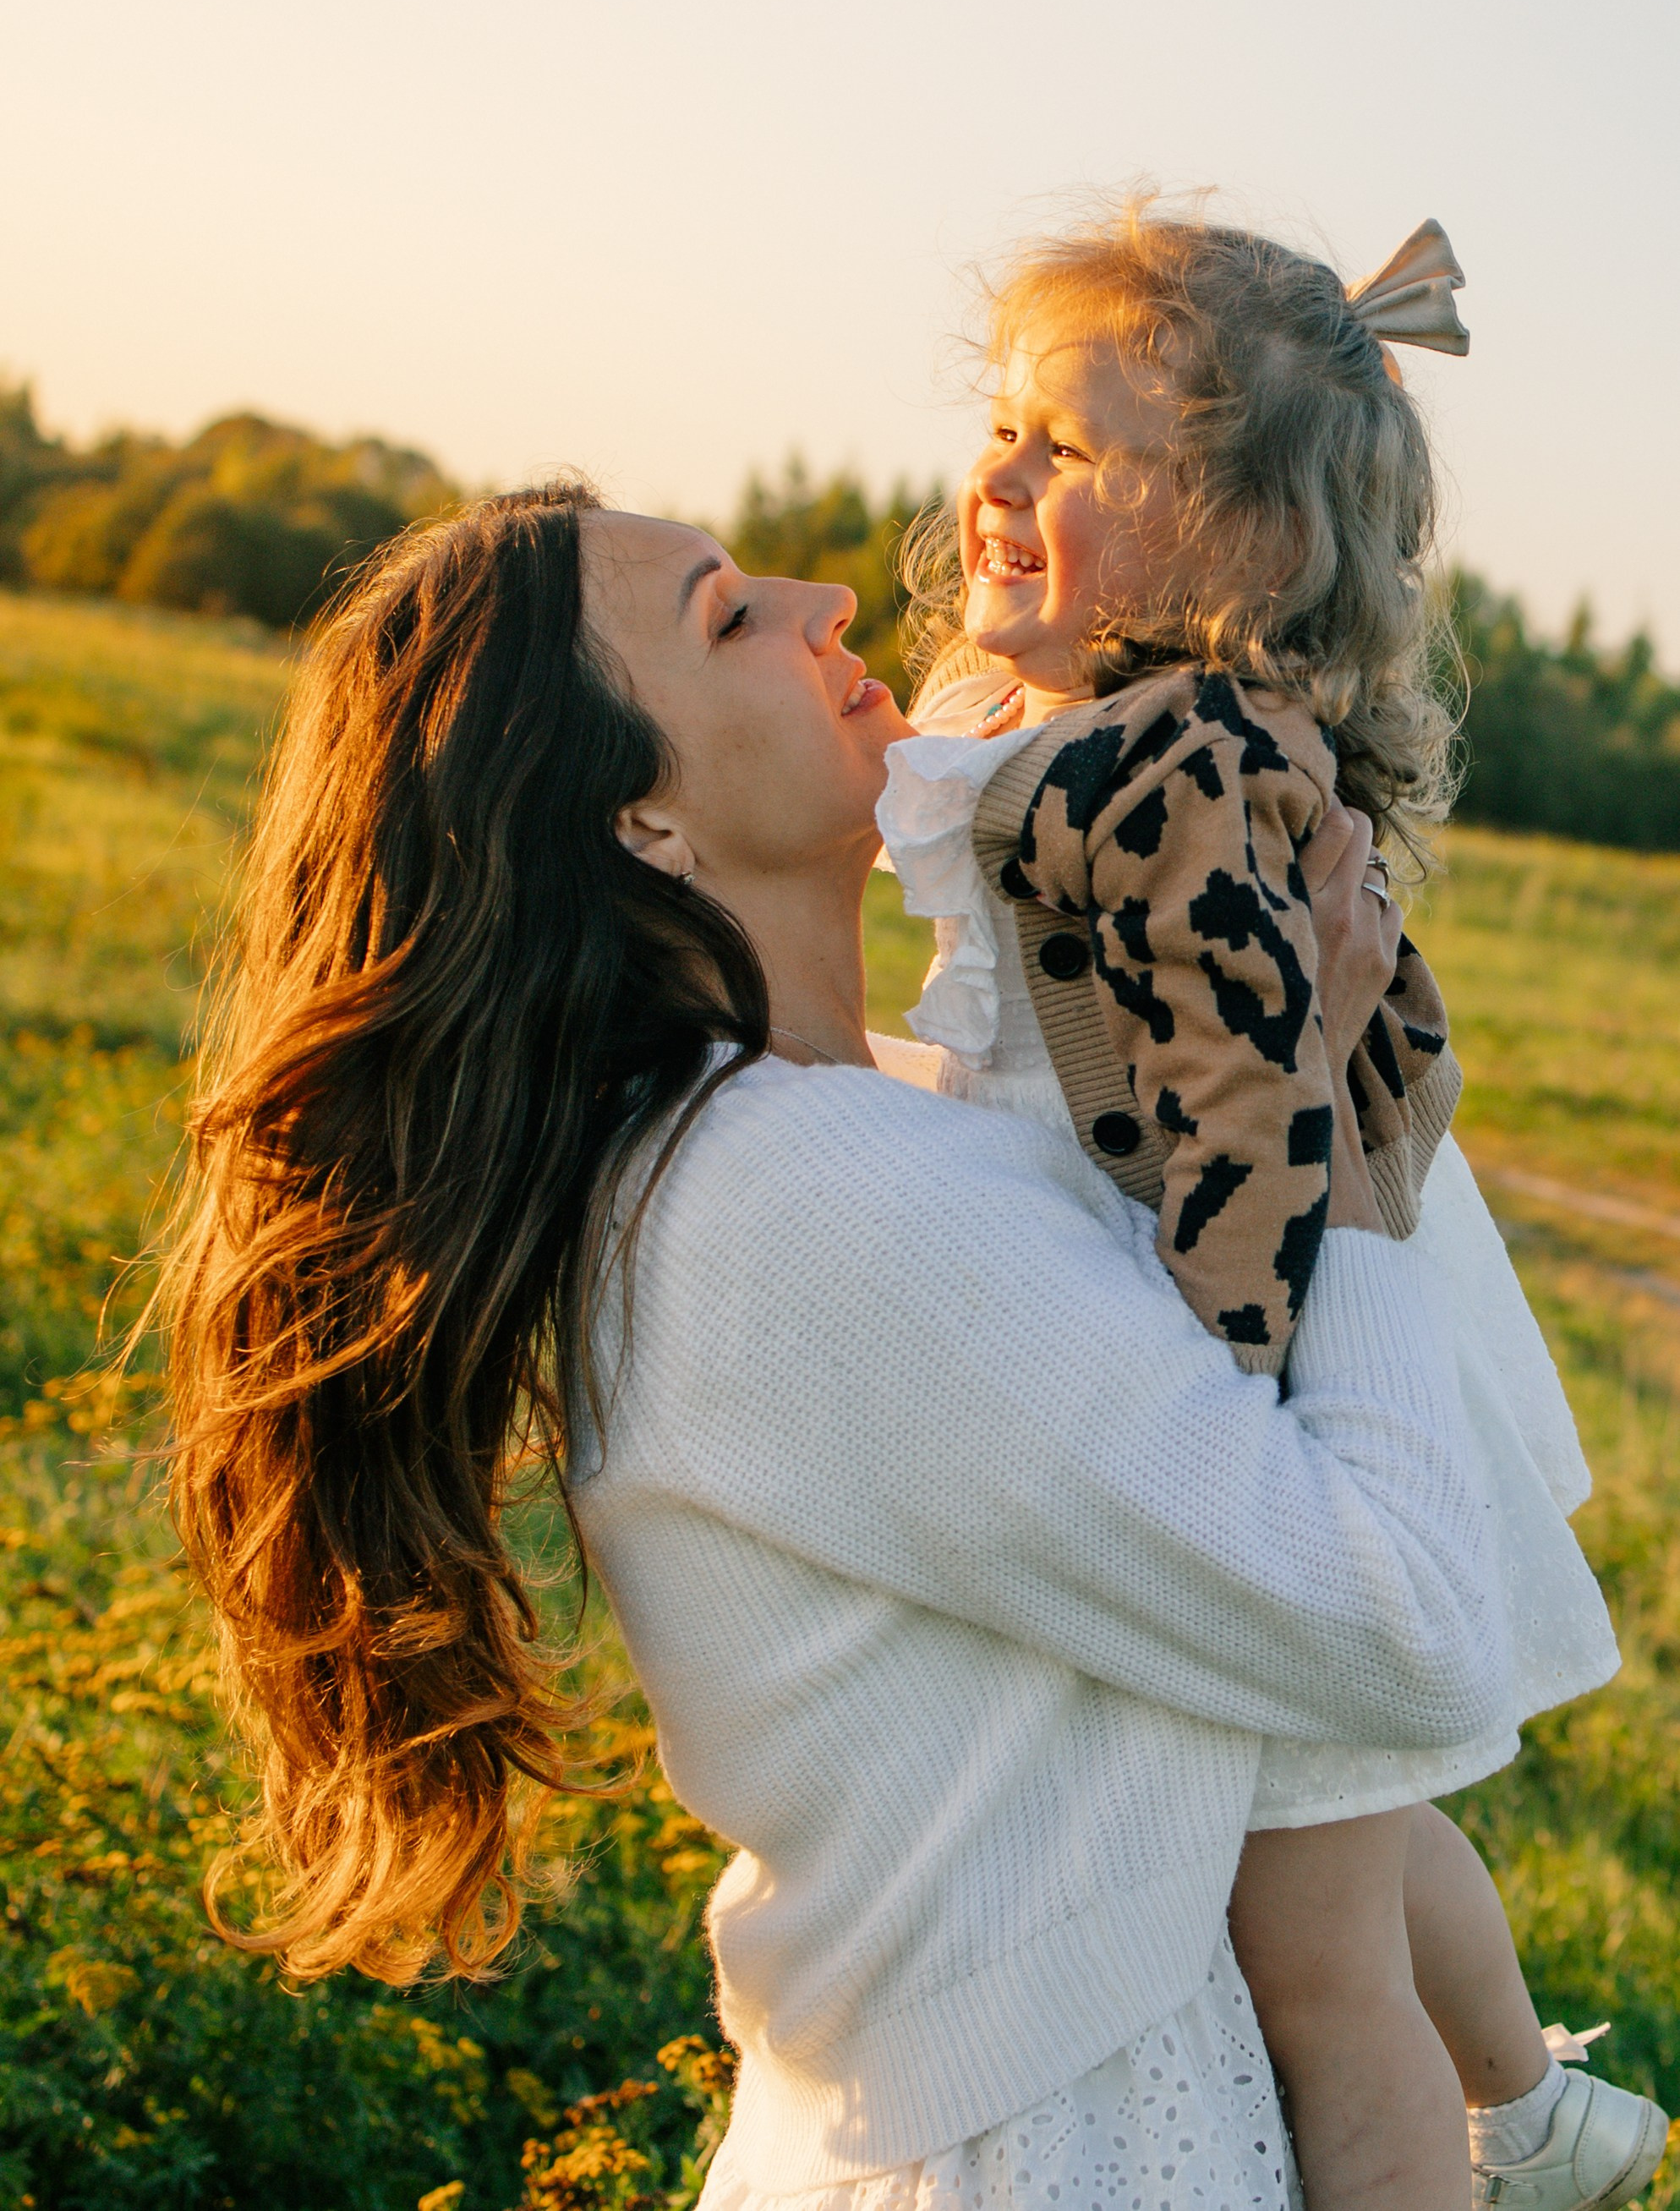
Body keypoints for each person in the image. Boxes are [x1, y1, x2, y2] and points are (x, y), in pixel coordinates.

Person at [164, 481, 1507, 2208]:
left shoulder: (865, 1120)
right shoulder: (800, 1208)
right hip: (1042, 2153)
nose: (824, 604)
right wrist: (1348, 1137)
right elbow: (1407, 1635)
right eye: (728, 613)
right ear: (638, 818)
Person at [873, 203, 1660, 2210]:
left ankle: (1486, 2131)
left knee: (1310, 1951)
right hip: (1223, 1304)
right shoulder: (1036, 716)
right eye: (1005, 428)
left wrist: (1213, 1407)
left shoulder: (1191, 766)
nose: (1001, 480)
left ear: (1233, 547)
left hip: (1274, 1335)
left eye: (1071, 450)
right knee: (1343, 1817)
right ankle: (1545, 2115)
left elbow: (1246, 1111)